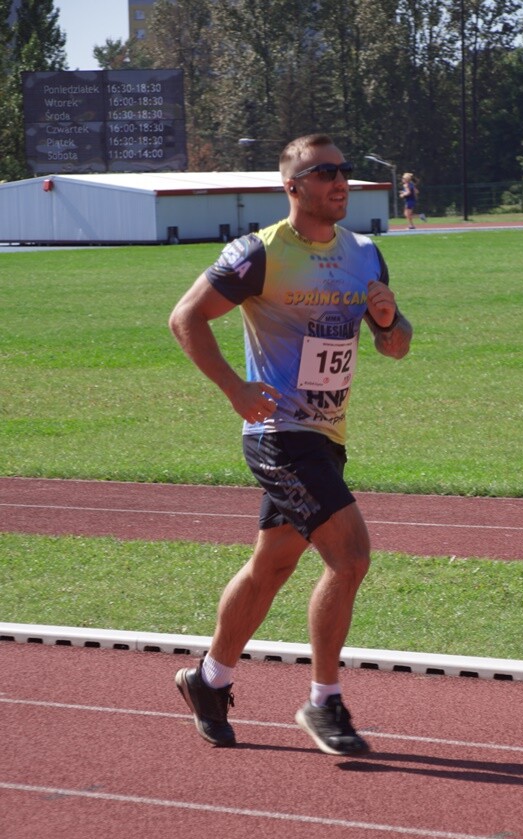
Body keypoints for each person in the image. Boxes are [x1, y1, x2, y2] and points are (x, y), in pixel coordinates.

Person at [169, 133, 413, 756]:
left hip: (327, 435)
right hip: (278, 434)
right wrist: (233, 388)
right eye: (323, 172)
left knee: (272, 565)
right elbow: (186, 318)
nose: (339, 181)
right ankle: (324, 700)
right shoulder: (259, 254)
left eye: (345, 171)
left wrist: (387, 321)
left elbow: (396, 345)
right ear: (292, 186)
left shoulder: (365, 255)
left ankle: (209, 678)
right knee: (350, 557)